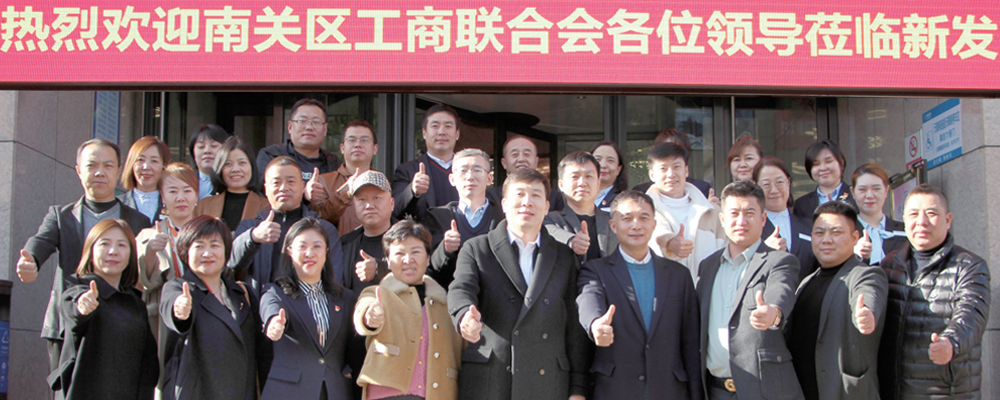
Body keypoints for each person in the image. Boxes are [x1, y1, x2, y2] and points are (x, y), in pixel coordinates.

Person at [447, 168, 590, 400]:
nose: (527, 202)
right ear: (504, 204)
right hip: (492, 380)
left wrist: (578, 387)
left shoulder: (564, 256)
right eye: (520, 194)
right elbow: (461, 288)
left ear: (546, 207)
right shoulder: (477, 248)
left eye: (535, 195)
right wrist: (464, 315)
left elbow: (574, 327)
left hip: (548, 381)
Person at [17, 138, 151, 372]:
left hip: (118, 325)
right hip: (67, 324)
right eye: (91, 165)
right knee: (65, 388)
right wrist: (31, 260)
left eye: (108, 165)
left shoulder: (138, 221)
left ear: (119, 171)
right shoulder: (61, 216)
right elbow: (41, 241)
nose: (99, 172)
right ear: (79, 170)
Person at [576, 191, 702, 400]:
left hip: (669, 390)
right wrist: (595, 324)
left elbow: (691, 341)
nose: (636, 225)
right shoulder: (596, 270)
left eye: (644, 218)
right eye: (627, 219)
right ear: (613, 225)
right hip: (616, 390)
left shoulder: (679, 275)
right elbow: (589, 298)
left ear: (654, 224)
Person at [878, 184, 991, 400]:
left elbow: (972, 315)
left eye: (931, 213)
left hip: (946, 392)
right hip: (894, 390)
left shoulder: (970, 266)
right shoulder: (890, 264)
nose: (921, 221)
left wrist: (950, 342)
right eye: (913, 214)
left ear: (948, 220)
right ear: (904, 220)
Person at [697, 180, 802, 400]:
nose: (741, 221)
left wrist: (773, 313)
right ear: (722, 219)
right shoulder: (707, 266)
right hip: (715, 390)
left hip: (763, 391)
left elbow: (781, 290)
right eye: (734, 214)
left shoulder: (779, 261)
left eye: (749, 213)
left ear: (763, 219)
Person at [787, 201, 888, 400]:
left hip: (844, 392)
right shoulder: (807, 282)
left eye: (836, 232)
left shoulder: (865, 275)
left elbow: (869, 295)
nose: (826, 239)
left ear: (855, 237)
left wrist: (867, 313)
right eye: (819, 233)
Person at [160, 216, 267, 400]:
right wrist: (180, 310)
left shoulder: (241, 294)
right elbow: (173, 310)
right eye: (199, 246)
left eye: (214, 245)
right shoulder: (177, 288)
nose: (207, 253)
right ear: (185, 251)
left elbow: (261, 352)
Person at [354, 220, 463, 400]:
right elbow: (363, 313)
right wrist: (371, 317)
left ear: (427, 258)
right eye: (399, 253)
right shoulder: (378, 293)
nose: (408, 260)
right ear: (388, 261)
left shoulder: (445, 303)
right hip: (387, 394)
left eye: (415, 252)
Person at [52, 219, 158, 400]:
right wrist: (83, 305)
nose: (113, 251)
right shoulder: (77, 289)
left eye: (121, 245)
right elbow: (74, 310)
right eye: (104, 244)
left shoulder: (136, 304)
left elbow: (148, 366)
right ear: (90, 251)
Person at [261, 218, 357, 400]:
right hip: (289, 393)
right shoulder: (275, 292)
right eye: (302, 247)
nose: (310, 253)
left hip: (333, 392)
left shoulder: (345, 298)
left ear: (326, 251)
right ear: (289, 251)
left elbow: (353, 349)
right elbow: (271, 309)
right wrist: (273, 323)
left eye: (317, 246)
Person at [230, 156, 344, 295]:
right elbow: (232, 261)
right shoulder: (250, 226)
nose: (283, 188)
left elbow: (334, 279)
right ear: (266, 189)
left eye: (290, 181)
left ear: (302, 187)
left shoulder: (323, 229)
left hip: (310, 305)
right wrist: (253, 237)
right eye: (276, 182)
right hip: (261, 305)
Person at [135, 163, 201, 344]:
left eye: (187, 191)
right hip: (163, 321)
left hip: (203, 315)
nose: (180, 197)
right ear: (162, 196)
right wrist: (150, 251)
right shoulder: (147, 236)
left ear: (196, 194)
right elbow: (144, 282)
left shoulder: (211, 232)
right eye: (172, 191)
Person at [645, 142, 725, 280]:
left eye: (676, 167)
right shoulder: (642, 213)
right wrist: (669, 243)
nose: (671, 174)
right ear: (652, 174)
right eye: (663, 168)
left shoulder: (713, 212)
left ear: (686, 171)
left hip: (708, 290)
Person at [425, 149, 504, 287]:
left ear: (489, 179)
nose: (470, 177)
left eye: (477, 170)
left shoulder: (504, 217)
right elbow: (431, 268)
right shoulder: (437, 217)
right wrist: (446, 249)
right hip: (451, 294)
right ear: (452, 179)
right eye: (463, 171)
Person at [545, 151, 619, 263]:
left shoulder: (613, 222)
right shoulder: (550, 220)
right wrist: (571, 241)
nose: (582, 183)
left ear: (598, 183)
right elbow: (548, 231)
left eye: (588, 176)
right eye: (575, 176)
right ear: (561, 185)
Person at [391, 104, 461, 221]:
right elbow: (394, 210)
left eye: (448, 126)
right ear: (424, 133)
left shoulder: (469, 170)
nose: (441, 132)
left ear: (457, 134)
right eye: (435, 126)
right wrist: (412, 191)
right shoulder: (407, 170)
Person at [753, 157, 818, 280]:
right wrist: (764, 251)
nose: (774, 190)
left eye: (780, 182)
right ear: (756, 187)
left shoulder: (810, 226)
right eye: (766, 184)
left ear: (788, 183)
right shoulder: (751, 228)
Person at [312, 119, 380, 236]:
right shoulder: (323, 182)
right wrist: (345, 193)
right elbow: (319, 220)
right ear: (342, 148)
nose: (358, 144)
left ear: (375, 148)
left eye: (364, 140)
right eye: (351, 140)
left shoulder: (384, 185)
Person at [257, 98, 341, 184]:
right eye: (302, 121)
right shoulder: (271, 156)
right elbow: (265, 187)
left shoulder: (334, 165)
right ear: (290, 126)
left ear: (325, 129)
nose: (309, 127)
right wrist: (305, 190)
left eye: (316, 122)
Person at [193, 136, 268, 232]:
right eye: (228, 164)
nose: (235, 169)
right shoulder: (202, 206)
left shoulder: (266, 207)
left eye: (242, 163)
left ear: (252, 167)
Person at [340, 170, 395, 292]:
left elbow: (419, 279)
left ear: (391, 203)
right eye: (362, 199)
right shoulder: (345, 244)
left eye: (376, 198)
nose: (369, 205)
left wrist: (379, 270)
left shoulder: (408, 239)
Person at [485, 134, 564, 211]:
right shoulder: (490, 197)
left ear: (536, 161)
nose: (521, 159)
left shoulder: (554, 197)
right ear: (504, 163)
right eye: (515, 154)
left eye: (527, 154)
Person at [850, 163, 906, 265]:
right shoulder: (845, 232)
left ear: (886, 190)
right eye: (862, 189)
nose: (869, 195)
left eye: (876, 189)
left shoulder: (904, 231)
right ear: (853, 192)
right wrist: (855, 255)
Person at [632, 128, 712, 198]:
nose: (670, 174)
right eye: (666, 149)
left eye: (677, 150)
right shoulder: (641, 192)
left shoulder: (701, 188)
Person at [792, 140, 857, 219]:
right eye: (816, 164)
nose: (823, 168)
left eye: (828, 161)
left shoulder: (856, 196)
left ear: (842, 163)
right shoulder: (801, 204)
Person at [119, 136, 171, 223]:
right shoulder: (118, 205)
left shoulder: (172, 204)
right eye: (140, 160)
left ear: (164, 166)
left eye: (154, 161)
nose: (146, 167)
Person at [188, 124, 230, 200]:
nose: (207, 151)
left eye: (214, 146)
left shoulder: (232, 183)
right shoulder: (185, 182)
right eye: (201, 146)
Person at [590, 141, 628, 211]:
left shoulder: (624, 201)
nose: (603, 165)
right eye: (597, 159)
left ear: (619, 169)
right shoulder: (577, 197)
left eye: (610, 160)